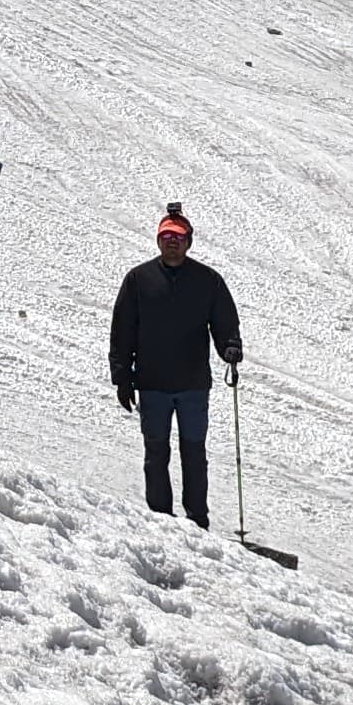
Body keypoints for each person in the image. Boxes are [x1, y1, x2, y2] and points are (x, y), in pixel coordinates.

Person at [109, 202, 242, 525]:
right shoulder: (138, 280)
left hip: (193, 385)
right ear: (158, 240)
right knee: (156, 454)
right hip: (152, 384)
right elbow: (122, 330)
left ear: (188, 241)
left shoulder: (207, 281)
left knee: (194, 454)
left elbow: (224, 322)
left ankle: (197, 519)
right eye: (166, 235)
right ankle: (161, 519)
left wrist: (230, 347)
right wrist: (122, 377)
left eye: (179, 236)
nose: (172, 241)